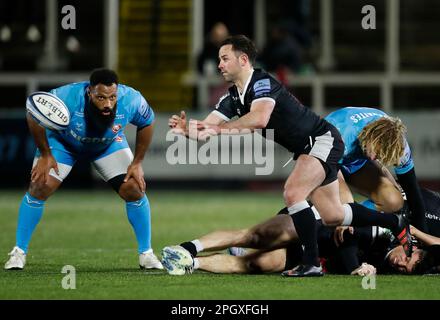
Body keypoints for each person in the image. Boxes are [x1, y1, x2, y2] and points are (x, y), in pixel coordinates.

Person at [167, 35, 412, 277]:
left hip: (321, 139)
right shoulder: (231, 97)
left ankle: (311, 263)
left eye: (224, 58)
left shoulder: (262, 83)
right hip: (308, 148)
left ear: (243, 60)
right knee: (333, 215)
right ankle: (392, 222)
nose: (219, 64)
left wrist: (219, 129)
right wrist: (187, 130)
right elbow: (207, 129)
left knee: (293, 192)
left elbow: (259, 119)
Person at [4, 68, 163, 270]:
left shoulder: (132, 99)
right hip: (63, 145)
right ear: (89, 92)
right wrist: (45, 153)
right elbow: (33, 114)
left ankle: (146, 254)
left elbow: (147, 122)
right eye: (101, 97)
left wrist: (137, 162)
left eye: (112, 97)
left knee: (134, 188)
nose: (108, 104)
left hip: (107, 146)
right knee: (39, 186)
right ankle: (19, 252)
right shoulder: (66, 97)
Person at [162, 188, 440, 276]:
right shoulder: (388, 233)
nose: (400, 264)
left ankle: (189, 264)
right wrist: (358, 266)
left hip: (309, 253)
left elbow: (362, 277)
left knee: (253, 265)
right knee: (252, 236)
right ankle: (189, 247)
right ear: (411, 247)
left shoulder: (387, 265)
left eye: (405, 269)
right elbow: (349, 240)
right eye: (407, 259)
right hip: (311, 222)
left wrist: (366, 271)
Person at [325, 107, 428, 233]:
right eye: (374, 151)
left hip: (353, 161)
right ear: (370, 136)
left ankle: (353, 218)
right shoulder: (342, 133)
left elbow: (413, 191)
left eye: (379, 155)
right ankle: (321, 214)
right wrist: (347, 213)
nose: (374, 158)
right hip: (324, 160)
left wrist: (422, 234)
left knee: (394, 200)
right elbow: (335, 177)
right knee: (342, 208)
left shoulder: (398, 145)